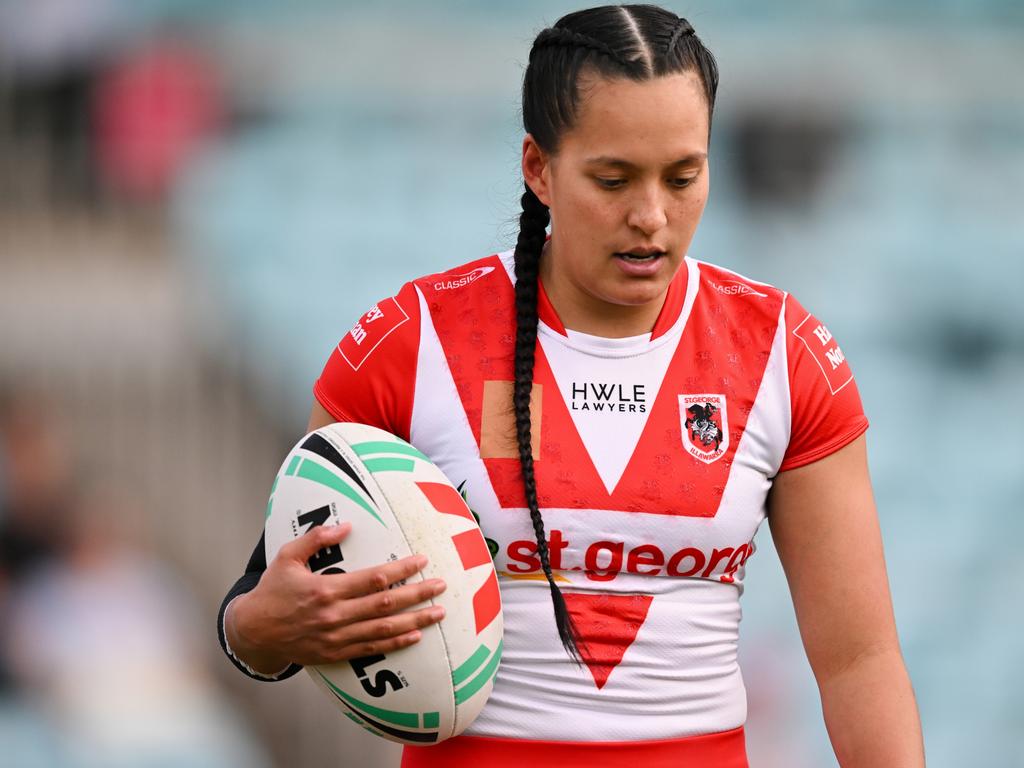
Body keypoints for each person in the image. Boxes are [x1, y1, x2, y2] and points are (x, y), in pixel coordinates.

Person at [217, 5, 925, 766]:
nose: (651, 215)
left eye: (683, 175)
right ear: (537, 168)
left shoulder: (784, 353)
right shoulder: (410, 342)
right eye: (613, 178)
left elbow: (858, 662)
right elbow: (261, 603)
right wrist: (264, 631)